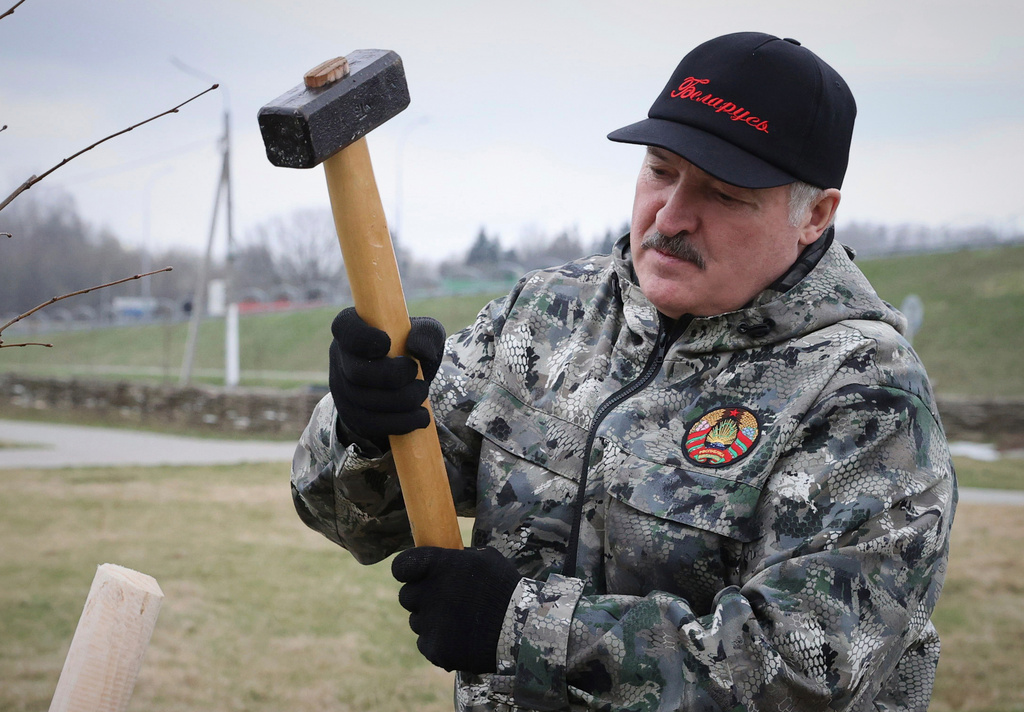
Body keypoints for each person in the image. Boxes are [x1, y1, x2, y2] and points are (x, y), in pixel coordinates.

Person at [292, 32, 956, 712]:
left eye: (724, 195)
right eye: (661, 170)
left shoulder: (864, 391)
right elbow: (351, 521)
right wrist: (364, 431)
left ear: (814, 214)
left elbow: (809, 669)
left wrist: (523, 628)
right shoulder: (547, 316)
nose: (671, 217)